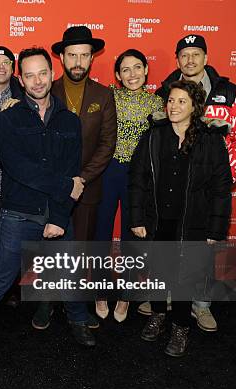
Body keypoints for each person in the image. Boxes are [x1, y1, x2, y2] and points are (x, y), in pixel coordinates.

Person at [0, 47, 84, 389]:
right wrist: (66, 187)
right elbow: (18, 168)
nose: (37, 80)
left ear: (51, 73)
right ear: (20, 78)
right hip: (18, 213)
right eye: (28, 75)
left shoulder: (70, 120)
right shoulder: (8, 118)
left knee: (70, 270)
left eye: (42, 73)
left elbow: (73, 170)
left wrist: (59, 216)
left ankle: (78, 319)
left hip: (57, 211)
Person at [144, 34, 236, 331]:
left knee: (202, 251)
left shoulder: (229, 93)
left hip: (206, 191)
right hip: (174, 191)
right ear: (178, 60)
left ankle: (202, 305)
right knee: (169, 248)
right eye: (184, 55)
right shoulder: (164, 92)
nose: (190, 60)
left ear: (206, 58)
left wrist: (217, 181)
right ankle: (165, 298)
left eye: (196, 54)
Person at [129, 79, 232, 357]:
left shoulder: (211, 140)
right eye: (171, 100)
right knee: (160, 273)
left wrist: (216, 228)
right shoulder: (154, 135)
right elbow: (138, 179)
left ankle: (181, 327)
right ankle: (160, 315)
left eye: (181, 101)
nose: (173, 106)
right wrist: (137, 218)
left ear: (195, 106)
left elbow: (221, 188)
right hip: (159, 220)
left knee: (186, 278)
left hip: (193, 222)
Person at [32, 25, 117, 331]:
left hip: (87, 188)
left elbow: (108, 144)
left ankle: (77, 308)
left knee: (79, 250)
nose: (78, 61)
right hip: (49, 187)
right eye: (72, 55)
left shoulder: (104, 95)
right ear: (62, 57)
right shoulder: (45, 89)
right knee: (47, 249)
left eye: (84, 55)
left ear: (92, 57)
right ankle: (45, 302)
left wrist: (80, 178)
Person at [93, 49, 164, 322]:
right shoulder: (109, 96)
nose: (132, 74)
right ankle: (99, 292)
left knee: (133, 238)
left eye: (137, 68)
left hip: (139, 178)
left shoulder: (159, 104)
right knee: (101, 233)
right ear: (117, 75)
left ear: (146, 70)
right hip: (109, 171)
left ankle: (124, 297)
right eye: (125, 69)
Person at [0, 46, 23, 308]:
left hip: (14, 184)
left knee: (12, 242)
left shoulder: (26, 96)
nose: (1, 66)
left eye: (6, 62)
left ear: (13, 68)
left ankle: (11, 288)